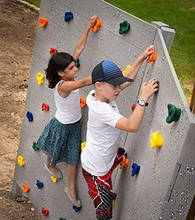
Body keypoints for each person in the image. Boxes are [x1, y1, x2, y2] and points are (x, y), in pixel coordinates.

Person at [81, 45, 159, 220]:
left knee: (121, 153)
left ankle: (103, 193)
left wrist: (141, 58)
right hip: (96, 171)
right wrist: (143, 98)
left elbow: (127, 79)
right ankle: (101, 195)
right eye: (114, 85)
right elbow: (132, 126)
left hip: (102, 157)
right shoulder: (101, 109)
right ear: (99, 85)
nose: (119, 88)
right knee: (105, 214)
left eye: (118, 84)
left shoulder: (98, 93)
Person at [36, 15, 98, 208]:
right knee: (54, 149)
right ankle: (49, 165)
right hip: (62, 125)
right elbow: (82, 82)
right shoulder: (63, 85)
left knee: (72, 157)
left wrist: (88, 25)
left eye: (74, 65)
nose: (75, 68)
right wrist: (104, 72)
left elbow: (78, 48)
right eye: (71, 68)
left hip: (74, 124)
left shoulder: (67, 72)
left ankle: (71, 188)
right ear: (61, 73)